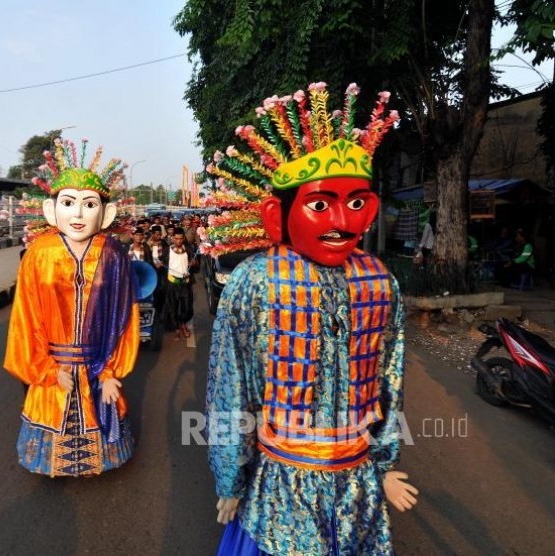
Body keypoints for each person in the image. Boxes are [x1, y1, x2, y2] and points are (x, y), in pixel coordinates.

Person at [204, 83, 417, 555]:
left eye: (357, 202)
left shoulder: (379, 281)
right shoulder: (255, 281)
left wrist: (383, 466)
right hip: (281, 485)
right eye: (321, 205)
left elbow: (390, 379)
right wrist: (231, 476)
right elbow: (230, 386)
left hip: (356, 480)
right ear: (276, 216)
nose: (343, 219)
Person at [4, 139, 139, 477]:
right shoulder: (40, 253)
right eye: (68, 203)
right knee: (54, 412)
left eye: (89, 204)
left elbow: (125, 317)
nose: (78, 214)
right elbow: (25, 318)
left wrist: (111, 372)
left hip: (99, 360)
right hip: (54, 364)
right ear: (51, 210)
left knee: (101, 411)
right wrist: (46, 369)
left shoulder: (112, 253)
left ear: (105, 214)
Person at [163, 227, 198, 339]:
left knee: (186, 307)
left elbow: (196, 265)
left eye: (181, 239)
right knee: (173, 307)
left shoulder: (188, 249)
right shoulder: (167, 250)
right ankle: (177, 329)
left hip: (185, 283)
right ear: (173, 238)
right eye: (176, 239)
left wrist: (194, 263)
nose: (178, 241)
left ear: (183, 238)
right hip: (172, 283)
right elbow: (162, 266)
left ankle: (183, 324)